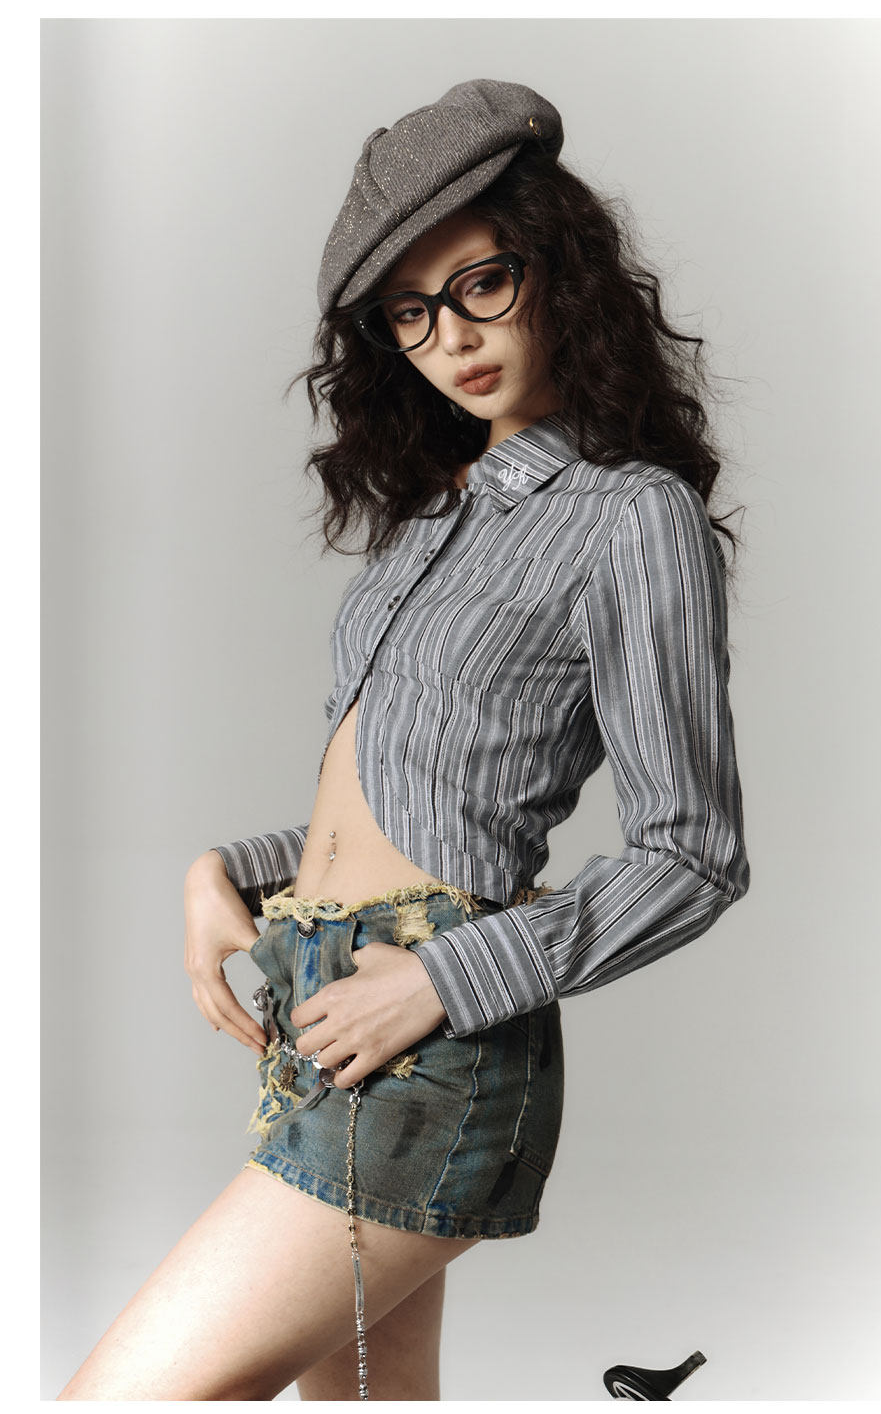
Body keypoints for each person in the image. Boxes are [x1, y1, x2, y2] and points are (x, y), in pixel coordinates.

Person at [58, 77, 750, 1402]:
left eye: (483, 282)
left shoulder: (630, 515)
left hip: (430, 1037)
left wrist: (439, 982)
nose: (453, 336)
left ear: (559, 269)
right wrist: (229, 868)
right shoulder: (434, 522)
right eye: (412, 311)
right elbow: (410, 801)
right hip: (321, 1006)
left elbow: (693, 855)